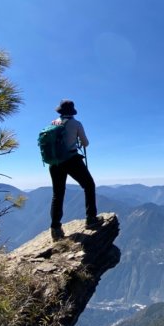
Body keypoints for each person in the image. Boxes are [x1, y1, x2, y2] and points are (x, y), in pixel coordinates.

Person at [49, 99, 98, 241]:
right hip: (71, 160)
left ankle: (55, 229)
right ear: (72, 111)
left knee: (57, 194)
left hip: (54, 163)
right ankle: (91, 219)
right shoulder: (76, 124)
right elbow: (86, 143)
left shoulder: (53, 123)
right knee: (89, 185)